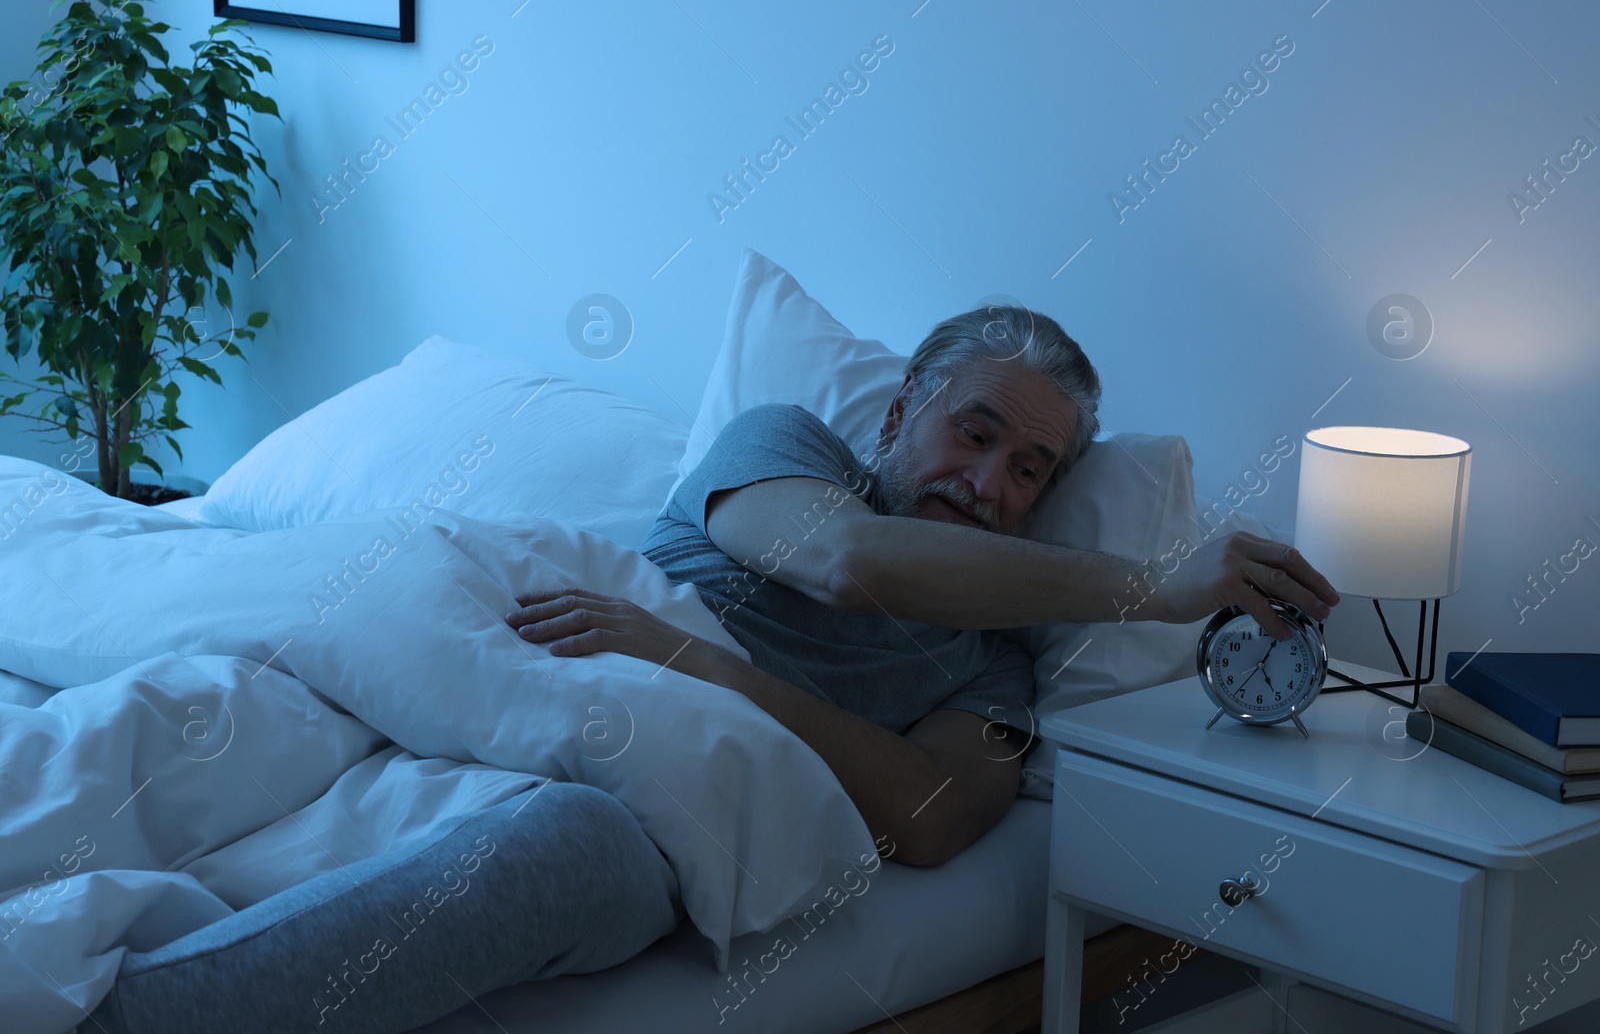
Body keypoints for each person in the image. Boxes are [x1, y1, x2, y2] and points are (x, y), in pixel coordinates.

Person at [504, 305, 1340, 867]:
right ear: (903, 411)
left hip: (629, 814)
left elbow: (931, 819)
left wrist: (712, 668)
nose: (985, 483)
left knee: (569, 847)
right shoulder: (783, 445)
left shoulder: (991, 669)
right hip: (520, 705)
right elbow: (846, 561)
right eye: (973, 433)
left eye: (1027, 470)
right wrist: (1155, 587)